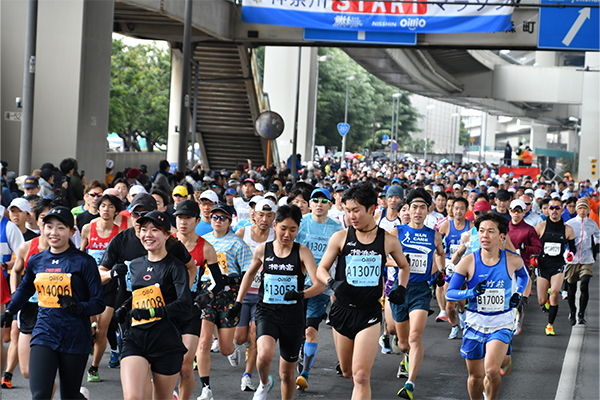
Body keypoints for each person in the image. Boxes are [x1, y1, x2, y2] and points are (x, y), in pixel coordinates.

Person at [316, 183, 409, 400]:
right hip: (341, 310)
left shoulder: (388, 240)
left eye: (356, 210)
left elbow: (404, 266)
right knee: (348, 370)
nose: (351, 216)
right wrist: (332, 283)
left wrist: (401, 288)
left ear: (372, 209)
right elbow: (321, 268)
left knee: (361, 376)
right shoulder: (340, 238)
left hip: (369, 313)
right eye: (347, 211)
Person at [1, 206, 105, 399]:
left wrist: (78, 306)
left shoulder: (84, 262)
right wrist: (10, 312)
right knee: (40, 395)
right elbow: (25, 289)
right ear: (42, 228)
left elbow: (99, 302)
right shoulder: (37, 260)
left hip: (75, 336)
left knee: (69, 396)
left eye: (60, 227)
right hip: (44, 333)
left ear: (72, 232)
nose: (53, 232)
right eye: (49, 226)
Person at [227, 204, 323, 400]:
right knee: (264, 356)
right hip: (267, 312)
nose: (287, 234)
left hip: (292, 317)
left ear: (298, 229)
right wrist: (238, 302)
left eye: (293, 229)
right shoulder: (263, 250)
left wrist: (300, 294)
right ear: (275, 226)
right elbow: (250, 274)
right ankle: (264, 383)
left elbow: (319, 285)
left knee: (287, 374)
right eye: (283, 228)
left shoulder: (302, 252)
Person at [446, 212, 529, 400]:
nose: (485, 235)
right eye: (481, 231)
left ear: (501, 236)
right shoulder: (467, 262)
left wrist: (518, 294)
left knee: (491, 371)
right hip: (474, 324)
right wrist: (471, 292)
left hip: (501, 323)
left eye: (491, 231)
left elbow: (524, 276)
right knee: (476, 378)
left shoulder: (512, 259)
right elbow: (450, 293)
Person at [118, 211, 192, 400]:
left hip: (166, 342)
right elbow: (137, 295)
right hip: (135, 339)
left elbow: (184, 304)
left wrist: (152, 311)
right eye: (143, 230)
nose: (148, 234)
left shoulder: (176, 267)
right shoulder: (134, 265)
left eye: (155, 230)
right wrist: (124, 309)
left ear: (167, 234)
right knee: (132, 397)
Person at [388, 188, 445, 399]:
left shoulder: (434, 235)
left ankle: (410, 383)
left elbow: (440, 254)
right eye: (414, 207)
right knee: (403, 343)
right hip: (400, 289)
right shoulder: (397, 232)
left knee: (415, 336)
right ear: (408, 209)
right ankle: (405, 358)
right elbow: (382, 257)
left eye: (422, 207)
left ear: (428, 210)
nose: (418, 211)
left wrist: (440, 271)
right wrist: (401, 263)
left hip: (421, 290)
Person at [197, 203, 253, 400]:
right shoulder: (203, 241)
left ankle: (233, 350)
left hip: (229, 295)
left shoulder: (237, 243)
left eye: (222, 218)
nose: (218, 221)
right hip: (207, 293)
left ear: (230, 221)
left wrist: (239, 300)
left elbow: (249, 273)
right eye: (214, 217)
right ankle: (206, 389)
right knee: (203, 342)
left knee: (225, 348)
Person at [171, 200, 221, 400]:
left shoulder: (206, 247)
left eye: (188, 218)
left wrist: (206, 295)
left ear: (197, 220)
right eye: (179, 218)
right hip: (166, 308)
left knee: (185, 365)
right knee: (164, 362)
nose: (183, 222)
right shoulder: (166, 242)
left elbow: (219, 282)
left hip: (191, 310)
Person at [293, 189, 342, 391]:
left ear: (330, 205)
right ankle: (300, 348)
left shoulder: (336, 228)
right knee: (297, 329)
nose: (319, 203)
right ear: (309, 203)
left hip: (320, 286)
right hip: (296, 283)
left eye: (324, 200)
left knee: (311, 329)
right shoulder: (301, 223)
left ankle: (305, 373)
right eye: (315, 200)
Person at [235, 199, 277, 392]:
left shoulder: (276, 237)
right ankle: (234, 346)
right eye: (261, 214)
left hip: (263, 295)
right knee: (240, 337)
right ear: (254, 215)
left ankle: (247, 375)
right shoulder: (242, 234)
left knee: (254, 336)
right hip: (244, 292)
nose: (264, 219)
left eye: (269, 215)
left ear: (274, 218)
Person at [533, 197, 575, 334]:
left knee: (555, 293)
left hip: (558, 264)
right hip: (543, 265)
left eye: (557, 208)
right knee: (541, 300)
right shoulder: (540, 227)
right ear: (547, 210)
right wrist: (533, 257)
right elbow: (533, 246)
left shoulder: (568, 229)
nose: (554, 211)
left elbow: (572, 248)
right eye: (552, 208)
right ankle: (547, 298)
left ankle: (550, 325)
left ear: (562, 210)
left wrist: (570, 255)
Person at [438, 196, 472, 339]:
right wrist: (441, 268)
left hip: (465, 267)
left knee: (461, 299)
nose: (458, 211)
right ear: (451, 209)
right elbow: (438, 249)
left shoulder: (471, 227)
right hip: (450, 267)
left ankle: (463, 312)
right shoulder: (445, 226)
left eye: (461, 208)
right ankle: (454, 326)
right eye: (456, 208)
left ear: (466, 210)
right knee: (449, 302)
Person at [564, 198, 600, 325]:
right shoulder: (570, 223)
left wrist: (597, 244)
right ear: (576, 210)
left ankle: (581, 313)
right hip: (572, 260)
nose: (582, 210)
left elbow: (598, 235)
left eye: (585, 208)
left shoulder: (592, 224)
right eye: (580, 208)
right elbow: (564, 239)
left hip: (587, 258)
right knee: (571, 289)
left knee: (584, 284)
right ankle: (572, 311)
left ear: (588, 209)